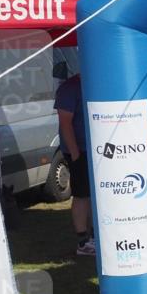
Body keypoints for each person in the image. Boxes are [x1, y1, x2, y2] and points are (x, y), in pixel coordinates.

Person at [54, 73, 94, 256]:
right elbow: (65, 123)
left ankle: (94, 237)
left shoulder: (94, 81)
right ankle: (83, 242)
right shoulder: (69, 88)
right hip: (80, 151)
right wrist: (76, 154)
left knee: (95, 195)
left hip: (97, 150)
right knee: (81, 195)